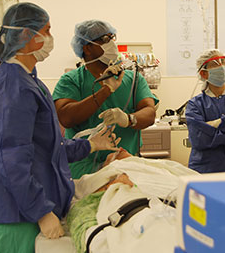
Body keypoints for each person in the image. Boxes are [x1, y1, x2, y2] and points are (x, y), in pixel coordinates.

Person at [0, 2, 120, 253]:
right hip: (14, 213)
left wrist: (91, 144)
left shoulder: (28, 81)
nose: (50, 38)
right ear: (26, 35)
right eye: (47, 31)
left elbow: (46, 146)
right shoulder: (13, 86)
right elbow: (11, 157)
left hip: (23, 207)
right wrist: (40, 211)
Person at [52, 20, 158, 179]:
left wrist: (129, 119)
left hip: (125, 166)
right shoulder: (71, 80)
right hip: (83, 171)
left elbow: (149, 113)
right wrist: (105, 91)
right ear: (87, 48)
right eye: (105, 40)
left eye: (112, 38)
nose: (112, 44)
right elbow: (66, 118)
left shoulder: (132, 78)